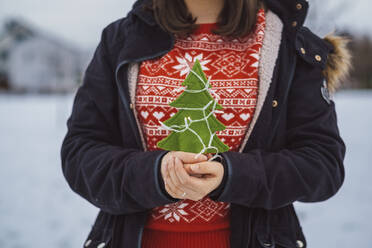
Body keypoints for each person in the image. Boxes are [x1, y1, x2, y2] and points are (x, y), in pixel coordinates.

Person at [60, 0, 352, 247]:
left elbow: (322, 164)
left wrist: (232, 177)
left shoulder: (289, 46)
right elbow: (80, 153)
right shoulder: (120, 40)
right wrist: (153, 175)